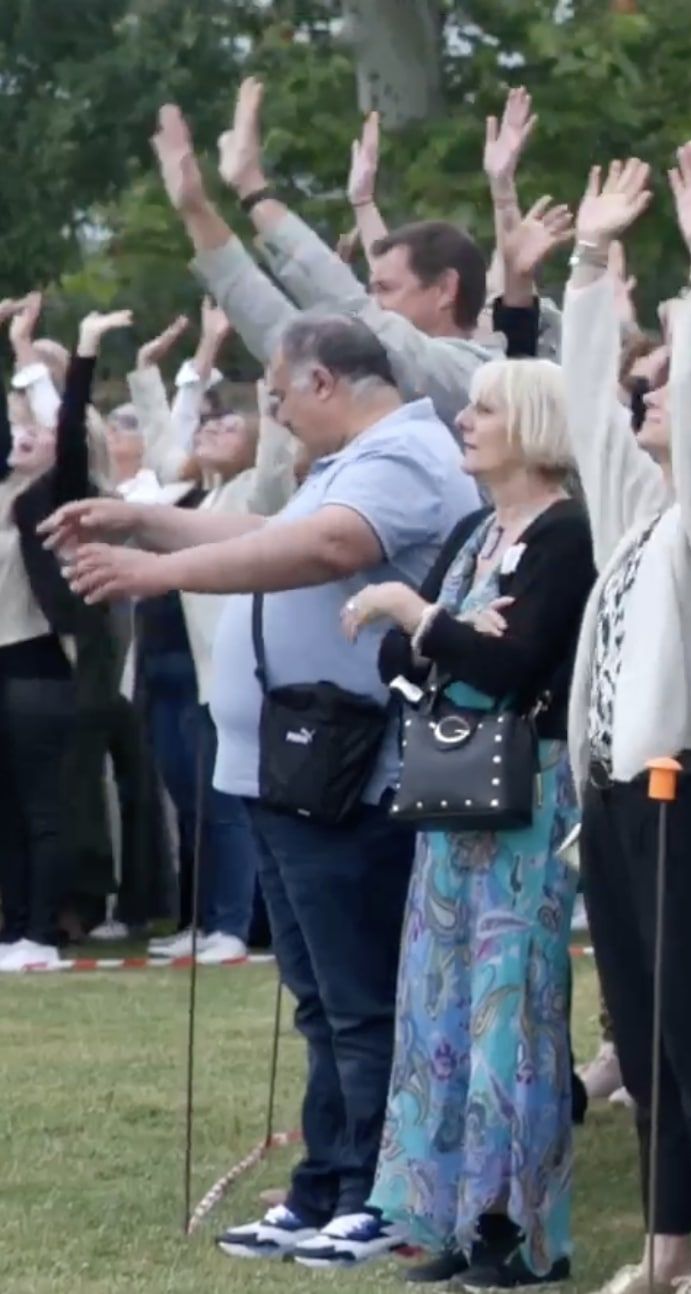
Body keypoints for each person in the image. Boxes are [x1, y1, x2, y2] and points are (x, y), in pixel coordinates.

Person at [53, 309, 482, 1267]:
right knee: (319, 1000)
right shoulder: (349, 461)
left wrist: (153, 569)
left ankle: (380, 1192)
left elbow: (322, 548)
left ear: (325, 382)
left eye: (280, 397)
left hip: (350, 774)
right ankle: (323, 1182)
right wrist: (142, 516)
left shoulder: (403, 455)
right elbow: (270, 529)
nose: (277, 417)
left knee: (359, 997)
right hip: (292, 772)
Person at [557, 154, 691, 1294]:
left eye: (666, 392)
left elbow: (689, 412)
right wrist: (589, 263)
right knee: (640, 1038)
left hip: (681, 794)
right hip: (612, 800)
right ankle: (665, 1239)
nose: (646, 398)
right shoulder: (637, 530)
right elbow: (589, 410)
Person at [358, 357, 593, 1287]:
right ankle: (452, 1213)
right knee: (440, 1004)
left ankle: (522, 1229)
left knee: (514, 1010)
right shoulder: (475, 532)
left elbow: (514, 663)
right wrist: (443, 634)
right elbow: (399, 664)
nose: (467, 420)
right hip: (455, 790)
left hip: (528, 800)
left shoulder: (566, 536)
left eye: (485, 408)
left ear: (532, 424)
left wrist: (423, 618)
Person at [160, 82, 495, 430]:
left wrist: (254, 190)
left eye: (386, 289)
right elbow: (278, 330)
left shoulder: (479, 377)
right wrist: (196, 210)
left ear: (444, 289)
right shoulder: (375, 377)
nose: (373, 301)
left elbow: (361, 314)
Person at [134, 301, 291, 964]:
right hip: (164, 666)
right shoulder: (182, 494)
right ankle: (205, 919)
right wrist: (192, 357)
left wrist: (267, 359)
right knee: (191, 800)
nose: (213, 430)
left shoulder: (255, 492)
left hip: (220, 670)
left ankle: (234, 924)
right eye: (209, 423)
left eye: (232, 424)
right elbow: (165, 438)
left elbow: (283, 445)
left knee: (226, 801)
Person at [0, 304, 132, 971]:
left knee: (44, 808)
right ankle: (14, 930)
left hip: (39, 668)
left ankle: (43, 935)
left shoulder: (52, 500)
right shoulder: (7, 496)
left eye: (34, 429)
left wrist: (78, 351)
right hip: (4, 673)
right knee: (8, 817)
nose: (24, 435)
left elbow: (71, 430)